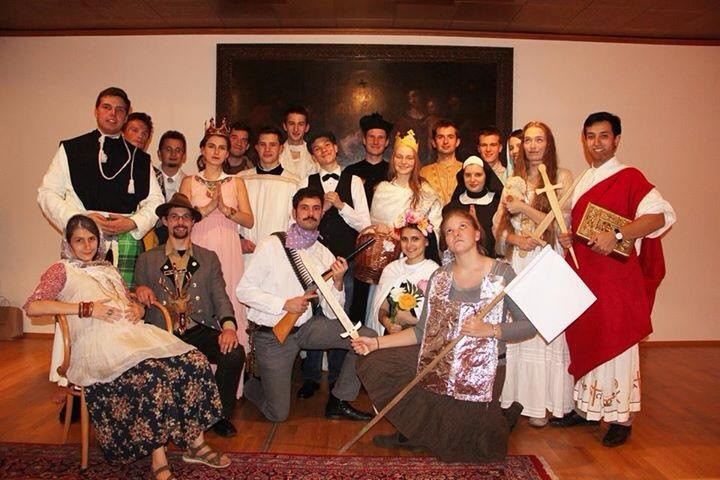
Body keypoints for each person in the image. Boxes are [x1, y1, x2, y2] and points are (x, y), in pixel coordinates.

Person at [24, 214, 229, 480]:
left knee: (194, 361)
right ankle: (158, 460)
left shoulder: (108, 269)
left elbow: (127, 298)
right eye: (79, 240)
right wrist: (86, 309)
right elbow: (34, 306)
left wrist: (138, 307)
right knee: (152, 374)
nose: (87, 246)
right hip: (98, 343)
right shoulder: (61, 270)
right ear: (69, 243)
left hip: (131, 336)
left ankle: (195, 443)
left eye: (91, 239)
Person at [351, 208, 535, 463]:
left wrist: (490, 330)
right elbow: (421, 331)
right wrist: (376, 343)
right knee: (378, 362)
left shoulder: (502, 273)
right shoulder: (439, 276)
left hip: (483, 369)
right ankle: (416, 431)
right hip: (440, 360)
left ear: (477, 234)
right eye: (449, 230)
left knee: (472, 452)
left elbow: (529, 325)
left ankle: (498, 420)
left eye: (462, 227)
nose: (455, 233)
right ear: (445, 240)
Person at [554, 112, 676, 447]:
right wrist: (570, 238)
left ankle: (622, 418)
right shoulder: (583, 179)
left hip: (617, 280)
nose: (597, 143)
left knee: (617, 343)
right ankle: (588, 409)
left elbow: (660, 216)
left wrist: (619, 233)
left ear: (617, 139)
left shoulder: (630, 177)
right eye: (591, 136)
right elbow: (584, 228)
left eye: (604, 136)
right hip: (586, 278)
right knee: (587, 339)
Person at [236, 188, 376, 423]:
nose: (310, 213)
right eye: (304, 208)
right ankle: (251, 385)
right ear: (294, 213)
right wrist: (284, 304)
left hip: (307, 328)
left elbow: (332, 313)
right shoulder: (272, 244)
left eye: (316, 208)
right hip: (272, 337)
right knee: (278, 414)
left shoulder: (323, 253)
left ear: (321, 213)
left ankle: (339, 400)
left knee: (366, 337)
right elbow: (243, 291)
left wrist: (338, 281)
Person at [134, 193, 245, 438]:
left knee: (234, 353)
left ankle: (218, 415)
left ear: (193, 222)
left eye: (186, 216)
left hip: (198, 328)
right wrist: (139, 291)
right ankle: (167, 417)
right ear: (165, 221)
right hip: (163, 332)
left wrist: (228, 327)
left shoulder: (208, 258)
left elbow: (220, 296)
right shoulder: (147, 259)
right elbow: (136, 295)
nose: (180, 221)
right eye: (174, 216)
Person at [38, 87, 164, 288]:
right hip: (82, 239)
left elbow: (156, 201)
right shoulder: (71, 149)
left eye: (119, 110)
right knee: (79, 301)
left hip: (125, 242)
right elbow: (47, 193)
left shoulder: (140, 158)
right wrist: (79, 220)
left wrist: (132, 223)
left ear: (126, 116)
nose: (113, 114)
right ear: (96, 111)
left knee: (123, 304)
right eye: (107, 107)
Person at [493, 121, 576, 427]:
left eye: (539, 140)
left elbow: (560, 224)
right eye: (528, 140)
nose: (533, 145)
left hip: (546, 260)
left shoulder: (561, 177)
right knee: (518, 328)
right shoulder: (513, 180)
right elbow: (497, 227)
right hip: (519, 262)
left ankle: (543, 404)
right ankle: (516, 400)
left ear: (548, 143)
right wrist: (516, 239)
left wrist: (524, 208)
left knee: (544, 330)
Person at [296, 131, 371, 399]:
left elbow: (365, 224)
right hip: (312, 259)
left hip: (344, 261)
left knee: (341, 318)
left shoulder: (354, 181)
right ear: (313, 155)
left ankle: (338, 377)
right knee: (314, 316)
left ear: (336, 148)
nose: (323, 150)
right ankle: (311, 376)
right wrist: (323, 209)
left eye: (327, 144)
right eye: (317, 148)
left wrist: (340, 205)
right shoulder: (306, 181)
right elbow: (298, 220)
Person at [179, 119, 253, 358]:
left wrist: (226, 210)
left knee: (228, 297)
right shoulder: (189, 181)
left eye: (222, 147)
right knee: (196, 299)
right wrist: (208, 208)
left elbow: (249, 220)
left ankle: (231, 366)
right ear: (202, 149)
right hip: (197, 246)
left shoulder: (236, 182)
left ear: (227, 153)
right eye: (211, 146)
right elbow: (179, 220)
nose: (216, 152)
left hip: (228, 249)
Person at [366, 216, 440, 336]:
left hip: (418, 337)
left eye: (415, 239)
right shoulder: (391, 268)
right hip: (389, 334)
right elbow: (382, 307)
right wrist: (387, 322)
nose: (409, 245)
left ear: (426, 241)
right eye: (404, 239)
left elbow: (438, 318)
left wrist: (411, 320)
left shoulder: (434, 272)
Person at [370, 130, 442, 242]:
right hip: (386, 249)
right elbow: (373, 227)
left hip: (416, 250)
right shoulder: (382, 190)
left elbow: (436, 229)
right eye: (399, 157)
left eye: (409, 158)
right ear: (393, 159)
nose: (403, 162)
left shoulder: (426, 192)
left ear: (415, 161)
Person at [238, 126, 300, 257]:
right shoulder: (241, 179)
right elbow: (233, 214)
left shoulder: (294, 182)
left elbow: (295, 222)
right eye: (263, 145)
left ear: (281, 149)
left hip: (279, 253)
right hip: (247, 252)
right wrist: (239, 240)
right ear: (256, 147)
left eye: (273, 145)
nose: (267, 149)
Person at [445, 156, 503, 257]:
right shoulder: (452, 207)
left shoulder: (498, 204)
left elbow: (502, 241)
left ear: (486, 176)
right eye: (468, 175)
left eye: (478, 175)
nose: (472, 180)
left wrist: (477, 227)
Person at [344, 112, 393, 207]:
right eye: (371, 137)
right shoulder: (350, 172)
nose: (375, 142)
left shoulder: (393, 173)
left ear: (386, 142)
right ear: (364, 140)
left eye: (380, 137)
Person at [151, 130, 188, 245]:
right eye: (168, 149)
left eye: (178, 150)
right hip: (150, 236)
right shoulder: (148, 178)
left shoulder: (190, 183)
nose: (173, 154)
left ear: (184, 156)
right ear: (159, 154)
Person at [419, 120, 463, 206]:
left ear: (457, 142)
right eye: (440, 137)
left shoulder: (466, 170)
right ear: (433, 143)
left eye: (450, 137)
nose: (445, 141)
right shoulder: (424, 173)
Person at [278, 105, 318, 180]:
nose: (296, 129)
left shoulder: (315, 154)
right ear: (285, 126)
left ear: (307, 128)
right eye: (291, 123)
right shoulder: (276, 154)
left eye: (300, 124)